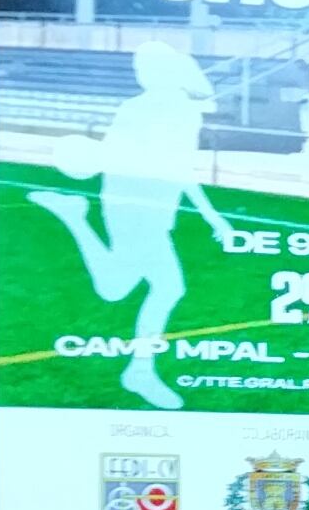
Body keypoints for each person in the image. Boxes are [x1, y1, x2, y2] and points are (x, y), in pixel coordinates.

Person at [25, 37, 236, 410]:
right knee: (154, 287)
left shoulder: (182, 112)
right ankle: (140, 371)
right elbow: (125, 158)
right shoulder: (139, 109)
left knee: (130, 288)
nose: (139, 74)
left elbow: (178, 167)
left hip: (152, 206)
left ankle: (74, 217)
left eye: (144, 67)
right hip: (132, 205)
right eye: (138, 68)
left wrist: (212, 215)